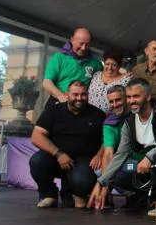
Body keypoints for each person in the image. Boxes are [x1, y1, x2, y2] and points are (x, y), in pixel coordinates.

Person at [87, 78, 156, 221]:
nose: (132, 101)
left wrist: (149, 156)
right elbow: (120, 154)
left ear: (148, 97)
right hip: (152, 167)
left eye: (136, 96)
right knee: (121, 173)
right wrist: (101, 182)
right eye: (129, 97)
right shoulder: (129, 123)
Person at [29, 80, 105, 208]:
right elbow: (36, 136)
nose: (79, 98)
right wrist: (58, 154)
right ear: (67, 95)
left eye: (83, 95)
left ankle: (75, 194)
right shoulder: (53, 111)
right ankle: (48, 194)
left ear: (88, 94)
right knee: (37, 161)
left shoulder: (98, 115)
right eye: (75, 94)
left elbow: (107, 141)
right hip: (56, 158)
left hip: (84, 161)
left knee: (82, 181)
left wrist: (99, 155)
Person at [42, 27, 103, 109]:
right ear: (72, 40)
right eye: (81, 43)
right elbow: (47, 82)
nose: (83, 48)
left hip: (81, 105)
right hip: (58, 102)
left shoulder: (96, 63)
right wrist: (62, 98)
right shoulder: (59, 57)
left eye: (87, 44)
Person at [98, 85, 130, 209]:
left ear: (126, 99)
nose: (115, 104)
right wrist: (105, 186)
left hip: (139, 162)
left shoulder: (136, 116)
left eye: (118, 100)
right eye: (111, 101)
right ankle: (107, 196)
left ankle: (136, 195)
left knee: (127, 169)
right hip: (122, 160)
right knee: (100, 170)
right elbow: (108, 152)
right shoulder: (109, 122)